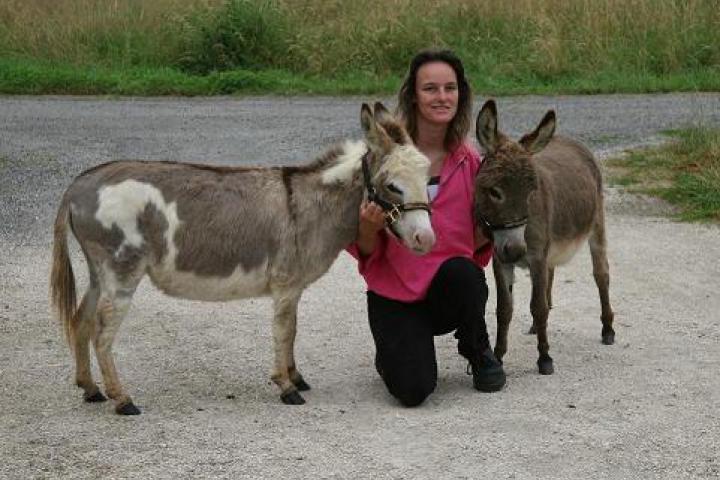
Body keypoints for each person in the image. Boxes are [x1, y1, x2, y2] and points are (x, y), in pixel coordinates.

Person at [347, 49, 506, 407]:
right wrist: (369, 227)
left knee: (465, 274)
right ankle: (392, 352)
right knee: (413, 391)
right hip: (394, 293)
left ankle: (476, 345)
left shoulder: (470, 162)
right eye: (431, 88)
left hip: (447, 290)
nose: (442, 97)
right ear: (414, 96)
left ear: (460, 95)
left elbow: (478, 247)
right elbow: (365, 254)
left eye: (450, 88)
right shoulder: (383, 160)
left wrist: (501, 218)